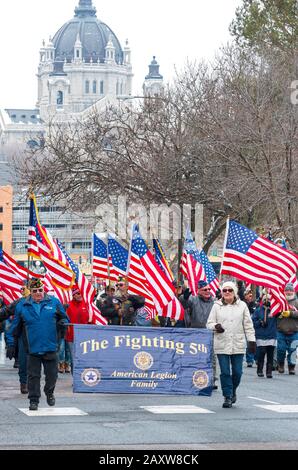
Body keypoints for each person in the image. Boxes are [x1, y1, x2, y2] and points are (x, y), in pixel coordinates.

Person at [8, 278, 69, 411]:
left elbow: (65, 318)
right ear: (30, 292)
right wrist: (11, 343)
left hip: (51, 346)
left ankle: (49, 392)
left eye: (40, 290)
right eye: (35, 291)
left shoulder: (54, 302)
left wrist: (62, 322)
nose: (38, 293)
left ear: (44, 290)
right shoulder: (22, 305)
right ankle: (33, 400)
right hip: (32, 347)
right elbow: (14, 327)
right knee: (33, 376)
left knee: (52, 375)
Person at [207, 281, 256, 408]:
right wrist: (215, 326)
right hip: (222, 342)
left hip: (238, 343)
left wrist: (252, 340)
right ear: (222, 293)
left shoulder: (243, 306)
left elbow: (248, 325)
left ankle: (233, 389)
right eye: (225, 290)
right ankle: (227, 396)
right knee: (224, 372)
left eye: (230, 290)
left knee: (238, 372)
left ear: (234, 292)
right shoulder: (216, 306)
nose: (227, 292)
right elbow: (209, 323)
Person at [183, 280, 217, 389]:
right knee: (195, 357)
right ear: (198, 291)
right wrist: (184, 297)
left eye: (209, 289)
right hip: (195, 332)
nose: (208, 291)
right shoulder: (193, 299)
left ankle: (212, 380)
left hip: (210, 333)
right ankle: (195, 378)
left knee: (211, 358)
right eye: (205, 289)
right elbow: (184, 304)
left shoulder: (215, 301)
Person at [2, 284, 31, 394]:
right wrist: (10, 343)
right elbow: (11, 324)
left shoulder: (47, 302)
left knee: (37, 364)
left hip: (39, 338)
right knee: (23, 362)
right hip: (23, 337)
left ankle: (35, 385)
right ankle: (24, 383)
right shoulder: (20, 303)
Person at [65, 286, 90, 373]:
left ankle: (82, 376)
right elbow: (65, 319)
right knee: (74, 359)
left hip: (84, 337)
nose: (80, 295)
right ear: (74, 295)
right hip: (72, 337)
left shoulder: (86, 304)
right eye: (78, 294)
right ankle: (75, 378)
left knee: (83, 358)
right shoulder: (69, 305)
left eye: (81, 293)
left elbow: (90, 319)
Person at [253, 293, 277, 378]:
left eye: (269, 300)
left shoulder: (274, 311)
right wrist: (260, 322)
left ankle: (269, 371)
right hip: (261, 335)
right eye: (265, 300)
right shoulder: (258, 310)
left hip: (271, 335)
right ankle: (260, 370)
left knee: (270, 354)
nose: (267, 302)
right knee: (261, 353)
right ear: (262, 301)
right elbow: (253, 322)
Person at [276, 283, 298, 375]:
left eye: (290, 291)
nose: (288, 292)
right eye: (286, 291)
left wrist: (291, 313)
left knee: (292, 350)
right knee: (281, 349)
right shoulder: (280, 301)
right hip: (281, 330)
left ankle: (291, 367)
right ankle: (280, 364)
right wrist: (279, 313)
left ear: (293, 292)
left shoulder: (297, 302)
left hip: (294, 331)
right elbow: (274, 312)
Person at [243, 288, 258, 367]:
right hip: (245, 326)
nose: (250, 297)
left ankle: (256, 359)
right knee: (249, 343)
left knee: (255, 343)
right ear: (245, 296)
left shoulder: (254, 304)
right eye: (249, 295)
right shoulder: (242, 304)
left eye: (251, 296)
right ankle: (249, 360)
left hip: (254, 325)